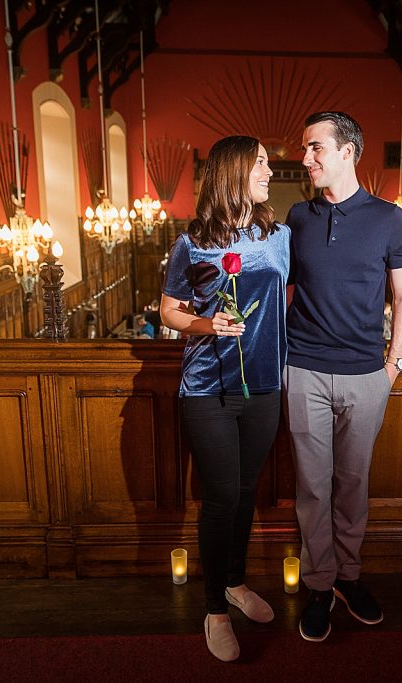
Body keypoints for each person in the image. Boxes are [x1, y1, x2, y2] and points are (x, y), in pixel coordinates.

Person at [285, 111, 402, 642]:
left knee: (353, 486)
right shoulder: (296, 216)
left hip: (367, 375)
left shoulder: (389, 218)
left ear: (348, 152)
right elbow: (281, 291)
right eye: (306, 148)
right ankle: (319, 585)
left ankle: (349, 578)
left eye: (317, 148)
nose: (307, 157)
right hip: (304, 371)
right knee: (312, 488)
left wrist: (392, 366)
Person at [159, 135, 289, 662]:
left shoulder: (279, 235)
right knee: (219, 499)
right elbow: (169, 311)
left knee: (244, 491)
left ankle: (235, 582)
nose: (268, 171)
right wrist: (206, 323)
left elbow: (292, 296)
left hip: (263, 385)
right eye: (260, 163)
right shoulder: (192, 243)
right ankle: (214, 608)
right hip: (207, 386)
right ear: (234, 170)